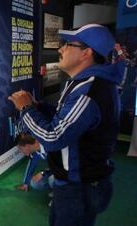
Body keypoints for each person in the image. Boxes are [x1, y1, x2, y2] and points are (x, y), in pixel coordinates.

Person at [8, 24, 124, 226]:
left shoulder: (89, 91)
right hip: (75, 185)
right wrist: (38, 107)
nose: (60, 49)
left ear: (86, 53)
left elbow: (54, 138)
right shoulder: (84, 83)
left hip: (79, 189)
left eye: (67, 45)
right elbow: (68, 121)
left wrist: (26, 110)